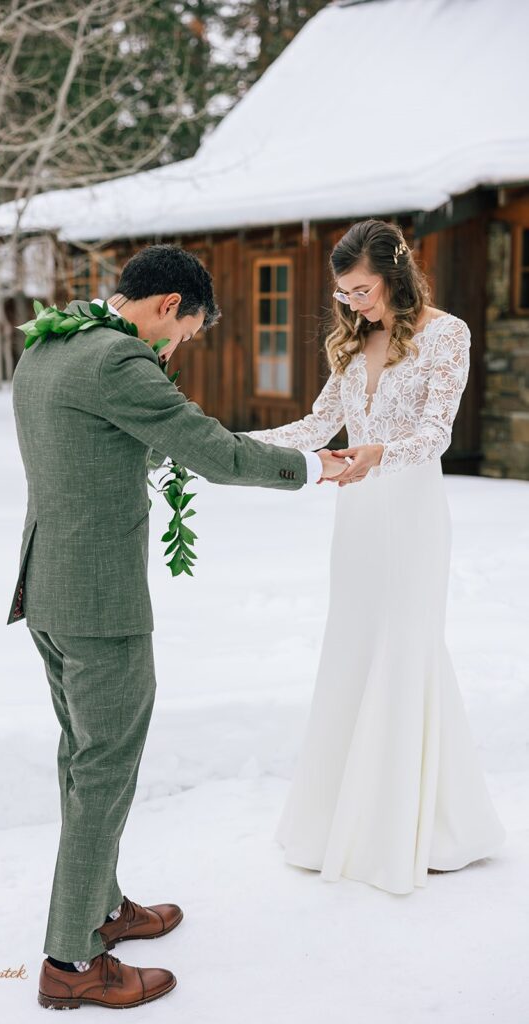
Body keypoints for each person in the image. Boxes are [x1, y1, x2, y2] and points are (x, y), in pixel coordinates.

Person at [5, 244, 345, 1010]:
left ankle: (100, 906)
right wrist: (317, 467)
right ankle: (71, 959)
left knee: (82, 757)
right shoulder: (119, 363)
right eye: (186, 333)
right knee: (104, 770)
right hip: (99, 604)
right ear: (167, 306)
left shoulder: (49, 347)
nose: (179, 348)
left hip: (48, 588)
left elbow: (92, 452)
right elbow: (212, 453)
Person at [246, 218, 506, 895]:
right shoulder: (351, 341)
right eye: (342, 294)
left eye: (359, 290)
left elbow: (435, 434)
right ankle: (344, 818)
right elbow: (314, 424)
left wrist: (378, 454)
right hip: (356, 517)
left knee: (403, 646)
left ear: (392, 274)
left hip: (410, 508)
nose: (352, 304)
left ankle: (414, 825)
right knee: (354, 648)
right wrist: (227, 444)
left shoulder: (445, 335)